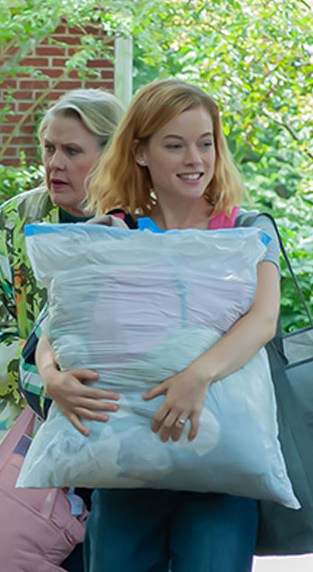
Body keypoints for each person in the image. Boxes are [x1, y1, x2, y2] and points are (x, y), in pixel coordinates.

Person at [35, 79, 282, 571]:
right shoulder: (113, 231)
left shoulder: (246, 229)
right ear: (141, 152)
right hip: (125, 461)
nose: (195, 159)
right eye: (175, 145)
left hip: (219, 460)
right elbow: (57, 326)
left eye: (205, 142)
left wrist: (197, 377)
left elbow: (263, 320)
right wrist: (52, 378)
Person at [0, 88, 125, 444]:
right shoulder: (14, 219)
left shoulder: (144, 220)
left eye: (72, 151)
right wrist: (49, 382)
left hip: (122, 422)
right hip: (27, 426)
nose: (54, 163)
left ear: (111, 155)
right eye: (49, 148)